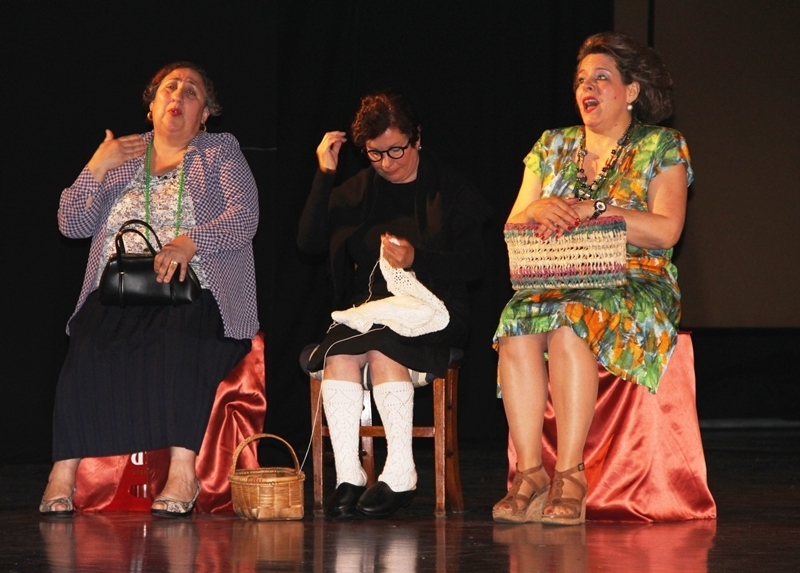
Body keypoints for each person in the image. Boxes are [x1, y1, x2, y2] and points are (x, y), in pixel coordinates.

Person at [39, 62, 260, 517]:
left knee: (180, 341)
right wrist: (95, 167)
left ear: (205, 115)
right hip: (120, 287)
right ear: (152, 106)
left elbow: (244, 218)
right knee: (89, 341)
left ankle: (183, 472)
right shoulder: (122, 154)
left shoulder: (219, 151)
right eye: (169, 88)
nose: (178, 95)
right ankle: (62, 473)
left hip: (192, 287)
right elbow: (71, 223)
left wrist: (189, 243)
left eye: (192, 91)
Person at [493, 32, 692, 526]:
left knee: (569, 323)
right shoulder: (552, 145)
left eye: (602, 77)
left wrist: (596, 209)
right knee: (515, 323)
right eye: (582, 79)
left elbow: (666, 231)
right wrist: (538, 208)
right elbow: (514, 223)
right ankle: (530, 473)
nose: (588, 86)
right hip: (560, 274)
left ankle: (571, 474)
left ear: (631, 90)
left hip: (635, 278)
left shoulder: (661, 145)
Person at [298, 89, 487, 519]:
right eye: (375, 154)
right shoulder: (359, 190)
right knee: (340, 355)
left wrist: (418, 258)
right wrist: (325, 174)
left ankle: (401, 473)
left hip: (437, 310)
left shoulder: (451, 189)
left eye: (396, 150)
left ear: (417, 138)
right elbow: (308, 243)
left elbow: (475, 265)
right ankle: (349, 476)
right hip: (371, 310)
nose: (386, 163)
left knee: (383, 347)